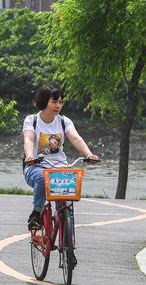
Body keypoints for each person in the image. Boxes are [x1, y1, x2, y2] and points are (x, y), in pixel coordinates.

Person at [23, 85, 98, 230]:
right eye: (54, 102)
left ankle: (69, 242)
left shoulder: (64, 121)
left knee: (66, 202)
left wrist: (88, 154)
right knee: (41, 178)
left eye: (60, 102)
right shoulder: (31, 120)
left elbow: (76, 138)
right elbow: (29, 140)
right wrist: (30, 156)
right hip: (35, 166)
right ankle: (36, 213)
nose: (58, 106)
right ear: (44, 102)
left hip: (60, 168)